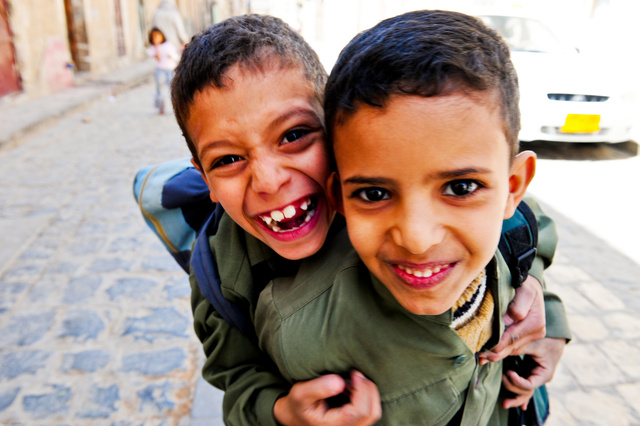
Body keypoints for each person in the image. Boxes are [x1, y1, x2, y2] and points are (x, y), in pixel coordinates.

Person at [140, 13, 568, 425]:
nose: (268, 181)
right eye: (229, 159)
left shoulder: (402, 180)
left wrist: (538, 299)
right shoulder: (218, 274)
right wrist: (283, 413)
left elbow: (525, 223)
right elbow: (235, 382)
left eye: (293, 135)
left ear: (335, 126)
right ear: (207, 182)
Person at [147, 27, 179, 114]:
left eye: (157, 36)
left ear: (162, 36)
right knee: (160, 89)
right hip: (160, 69)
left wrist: (171, 56)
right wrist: (156, 46)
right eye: (153, 37)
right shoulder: (153, 48)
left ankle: (177, 106)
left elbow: (175, 56)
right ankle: (161, 107)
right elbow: (158, 58)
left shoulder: (168, 45)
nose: (155, 38)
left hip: (170, 69)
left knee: (172, 88)